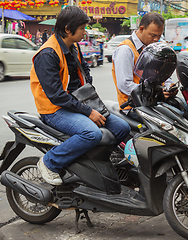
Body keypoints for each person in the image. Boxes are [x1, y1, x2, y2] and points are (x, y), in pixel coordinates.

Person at [30, 6, 130, 185]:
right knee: (91, 134)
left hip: (79, 102)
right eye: (82, 28)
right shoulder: (47, 54)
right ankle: (49, 162)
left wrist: (87, 93)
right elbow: (57, 96)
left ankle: (92, 163)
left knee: (122, 128)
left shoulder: (73, 46)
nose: (85, 32)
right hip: (54, 109)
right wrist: (88, 112)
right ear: (68, 29)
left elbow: (84, 68)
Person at [112, 12, 178, 119]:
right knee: (177, 117)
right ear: (141, 29)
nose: (156, 39)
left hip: (154, 102)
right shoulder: (126, 49)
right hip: (133, 106)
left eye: (159, 36)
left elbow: (163, 76)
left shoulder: (154, 48)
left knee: (184, 107)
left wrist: (169, 87)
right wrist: (156, 93)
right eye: (153, 35)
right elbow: (125, 85)